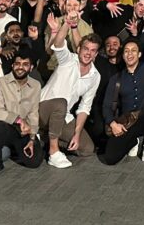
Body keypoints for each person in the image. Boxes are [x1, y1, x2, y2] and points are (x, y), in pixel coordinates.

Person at [39, 19, 102, 168]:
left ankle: (43, 137)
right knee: (61, 103)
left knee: (87, 149)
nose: (88, 53)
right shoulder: (67, 60)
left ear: (96, 54)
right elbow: (58, 43)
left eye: (93, 50)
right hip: (42, 110)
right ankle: (53, 152)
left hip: (63, 117)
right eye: (86, 49)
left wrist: (77, 133)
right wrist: (67, 23)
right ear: (79, 49)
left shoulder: (95, 76)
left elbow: (84, 107)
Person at [0, 53, 43, 176]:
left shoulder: (36, 85)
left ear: (31, 67)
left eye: (25, 64)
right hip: (3, 126)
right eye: (17, 64)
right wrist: (19, 120)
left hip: (22, 130)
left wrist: (32, 138)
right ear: (12, 65)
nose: (20, 67)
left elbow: (33, 113)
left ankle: (14, 149)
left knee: (34, 162)